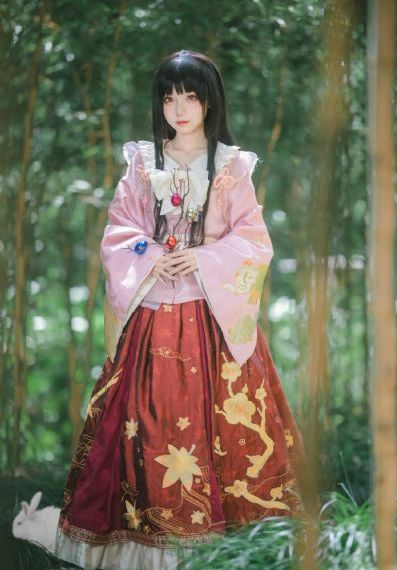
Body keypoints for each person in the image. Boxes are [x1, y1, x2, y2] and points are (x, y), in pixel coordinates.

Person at [54, 49, 307, 570]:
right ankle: (145, 542)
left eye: (190, 96)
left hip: (212, 316)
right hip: (152, 310)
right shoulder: (142, 164)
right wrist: (150, 255)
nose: (180, 108)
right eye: (170, 98)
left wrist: (204, 257)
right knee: (142, 423)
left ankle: (234, 544)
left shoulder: (232, 166)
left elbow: (253, 239)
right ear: (160, 104)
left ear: (209, 101)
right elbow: (119, 231)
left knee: (225, 428)